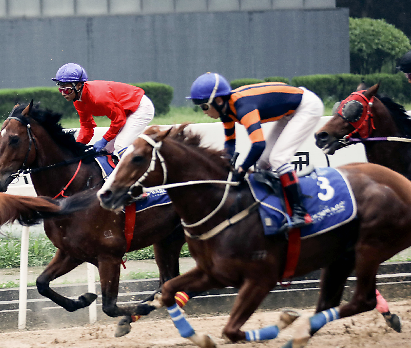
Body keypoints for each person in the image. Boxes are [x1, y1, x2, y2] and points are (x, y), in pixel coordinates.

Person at [187, 72, 324, 231]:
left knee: (279, 159)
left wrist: (242, 168)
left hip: (306, 106)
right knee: (263, 163)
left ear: (217, 100)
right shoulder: (226, 111)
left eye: (204, 106)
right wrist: (227, 165)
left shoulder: (243, 107)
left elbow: (258, 144)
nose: (204, 111)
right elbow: (230, 143)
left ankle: (301, 213)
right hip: (290, 110)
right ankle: (274, 208)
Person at [52, 63, 155, 155]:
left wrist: (104, 139)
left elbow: (119, 120)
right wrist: (78, 146)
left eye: (66, 90)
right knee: (105, 150)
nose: (62, 94)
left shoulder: (98, 97)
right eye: (60, 89)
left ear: (78, 85)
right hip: (126, 111)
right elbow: (87, 127)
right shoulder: (78, 101)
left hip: (141, 108)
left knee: (120, 146)